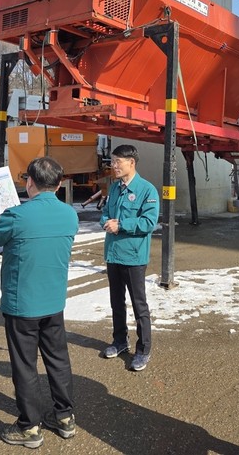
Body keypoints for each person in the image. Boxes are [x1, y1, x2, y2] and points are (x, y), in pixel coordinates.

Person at [0, 156, 79, 449]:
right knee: (58, 359)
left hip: (23, 304)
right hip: (54, 300)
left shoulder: (17, 216)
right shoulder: (70, 215)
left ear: (29, 182)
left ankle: (29, 427)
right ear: (59, 184)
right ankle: (65, 417)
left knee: (25, 365)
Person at [100, 144, 160, 371]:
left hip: (133, 257)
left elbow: (148, 223)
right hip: (113, 254)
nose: (114, 165)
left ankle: (143, 349)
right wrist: (106, 222)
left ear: (131, 162)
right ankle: (119, 341)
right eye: (113, 161)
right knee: (116, 302)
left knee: (139, 305)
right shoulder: (115, 188)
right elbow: (106, 213)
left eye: (118, 161)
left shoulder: (147, 190)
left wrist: (121, 225)